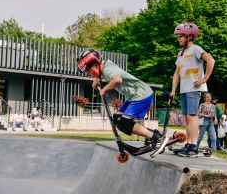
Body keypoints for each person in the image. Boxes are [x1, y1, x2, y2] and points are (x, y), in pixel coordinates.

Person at [76, 48, 168, 149]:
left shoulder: (107, 69)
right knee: (117, 119)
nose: (88, 74)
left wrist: (104, 89)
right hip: (134, 96)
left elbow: (117, 80)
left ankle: (157, 138)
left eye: (88, 71)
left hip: (141, 94)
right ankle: (153, 134)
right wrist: (96, 79)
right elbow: (100, 71)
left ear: (95, 64)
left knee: (124, 123)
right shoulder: (105, 66)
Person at [170, 22, 215, 157]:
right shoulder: (180, 53)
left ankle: (194, 146)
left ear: (189, 37)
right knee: (186, 117)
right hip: (184, 89)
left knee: (192, 116)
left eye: (181, 36)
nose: (179, 38)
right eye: (178, 36)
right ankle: (188, 144)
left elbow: (211, 60)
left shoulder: (196, 49)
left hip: (193, 88)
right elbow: (177, 74)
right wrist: (173, 90)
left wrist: (204, 78)